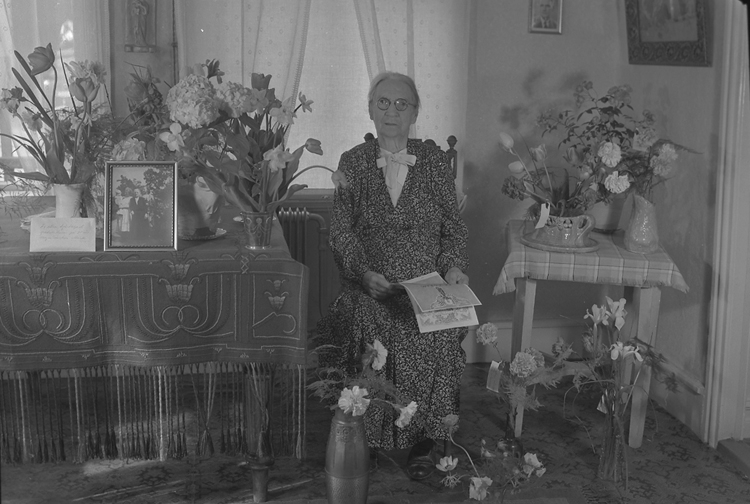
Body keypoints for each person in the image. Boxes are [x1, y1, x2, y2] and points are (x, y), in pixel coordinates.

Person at [316, 71, 470, 480]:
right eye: (383, 102)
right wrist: (364, 273)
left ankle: (424, 443)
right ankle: (363, 437)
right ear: (370, 108)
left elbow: (453, 228)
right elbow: (340, 231)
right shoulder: (353, 162)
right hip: (371, 284)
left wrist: (453, 267)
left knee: (436, 329)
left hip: (426, 285)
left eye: (402, 104)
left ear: (415, 112)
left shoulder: (434, 163)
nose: (392, 111)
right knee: (365, 321)